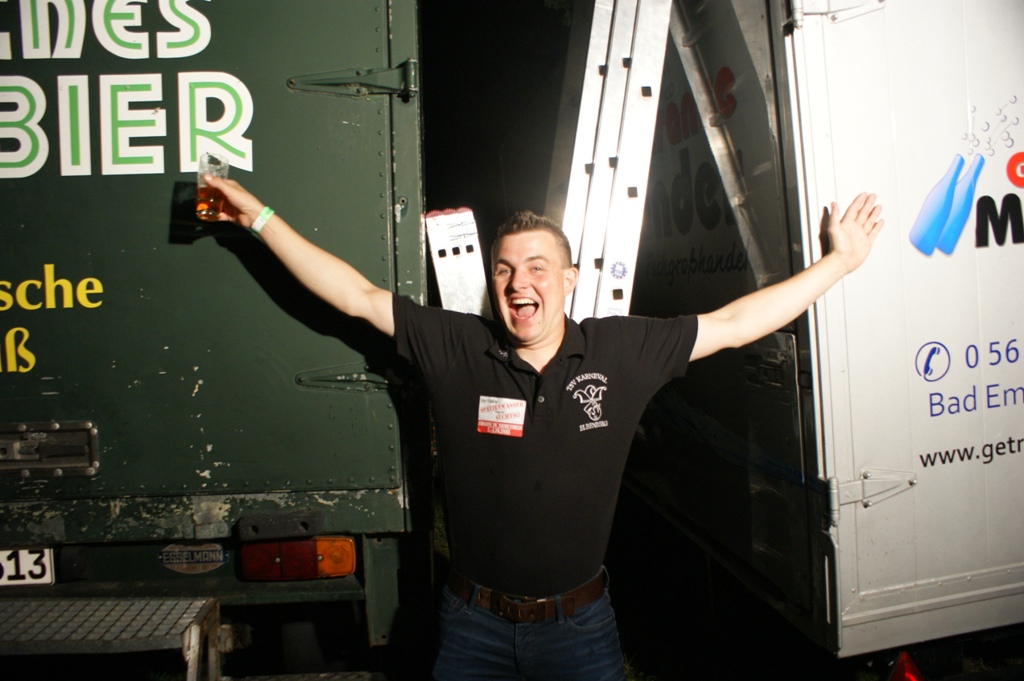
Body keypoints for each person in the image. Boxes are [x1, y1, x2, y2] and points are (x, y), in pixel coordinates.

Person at [204, 175, 883, 681]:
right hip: (471, 628)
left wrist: (840, 264)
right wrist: (259, 217)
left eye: (536, 266)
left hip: (578, 630)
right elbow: (354, 295)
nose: (517, 281)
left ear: (568, 279)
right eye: (503, 268)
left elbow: (734, 324)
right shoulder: (458, 347)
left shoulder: (621, 350)